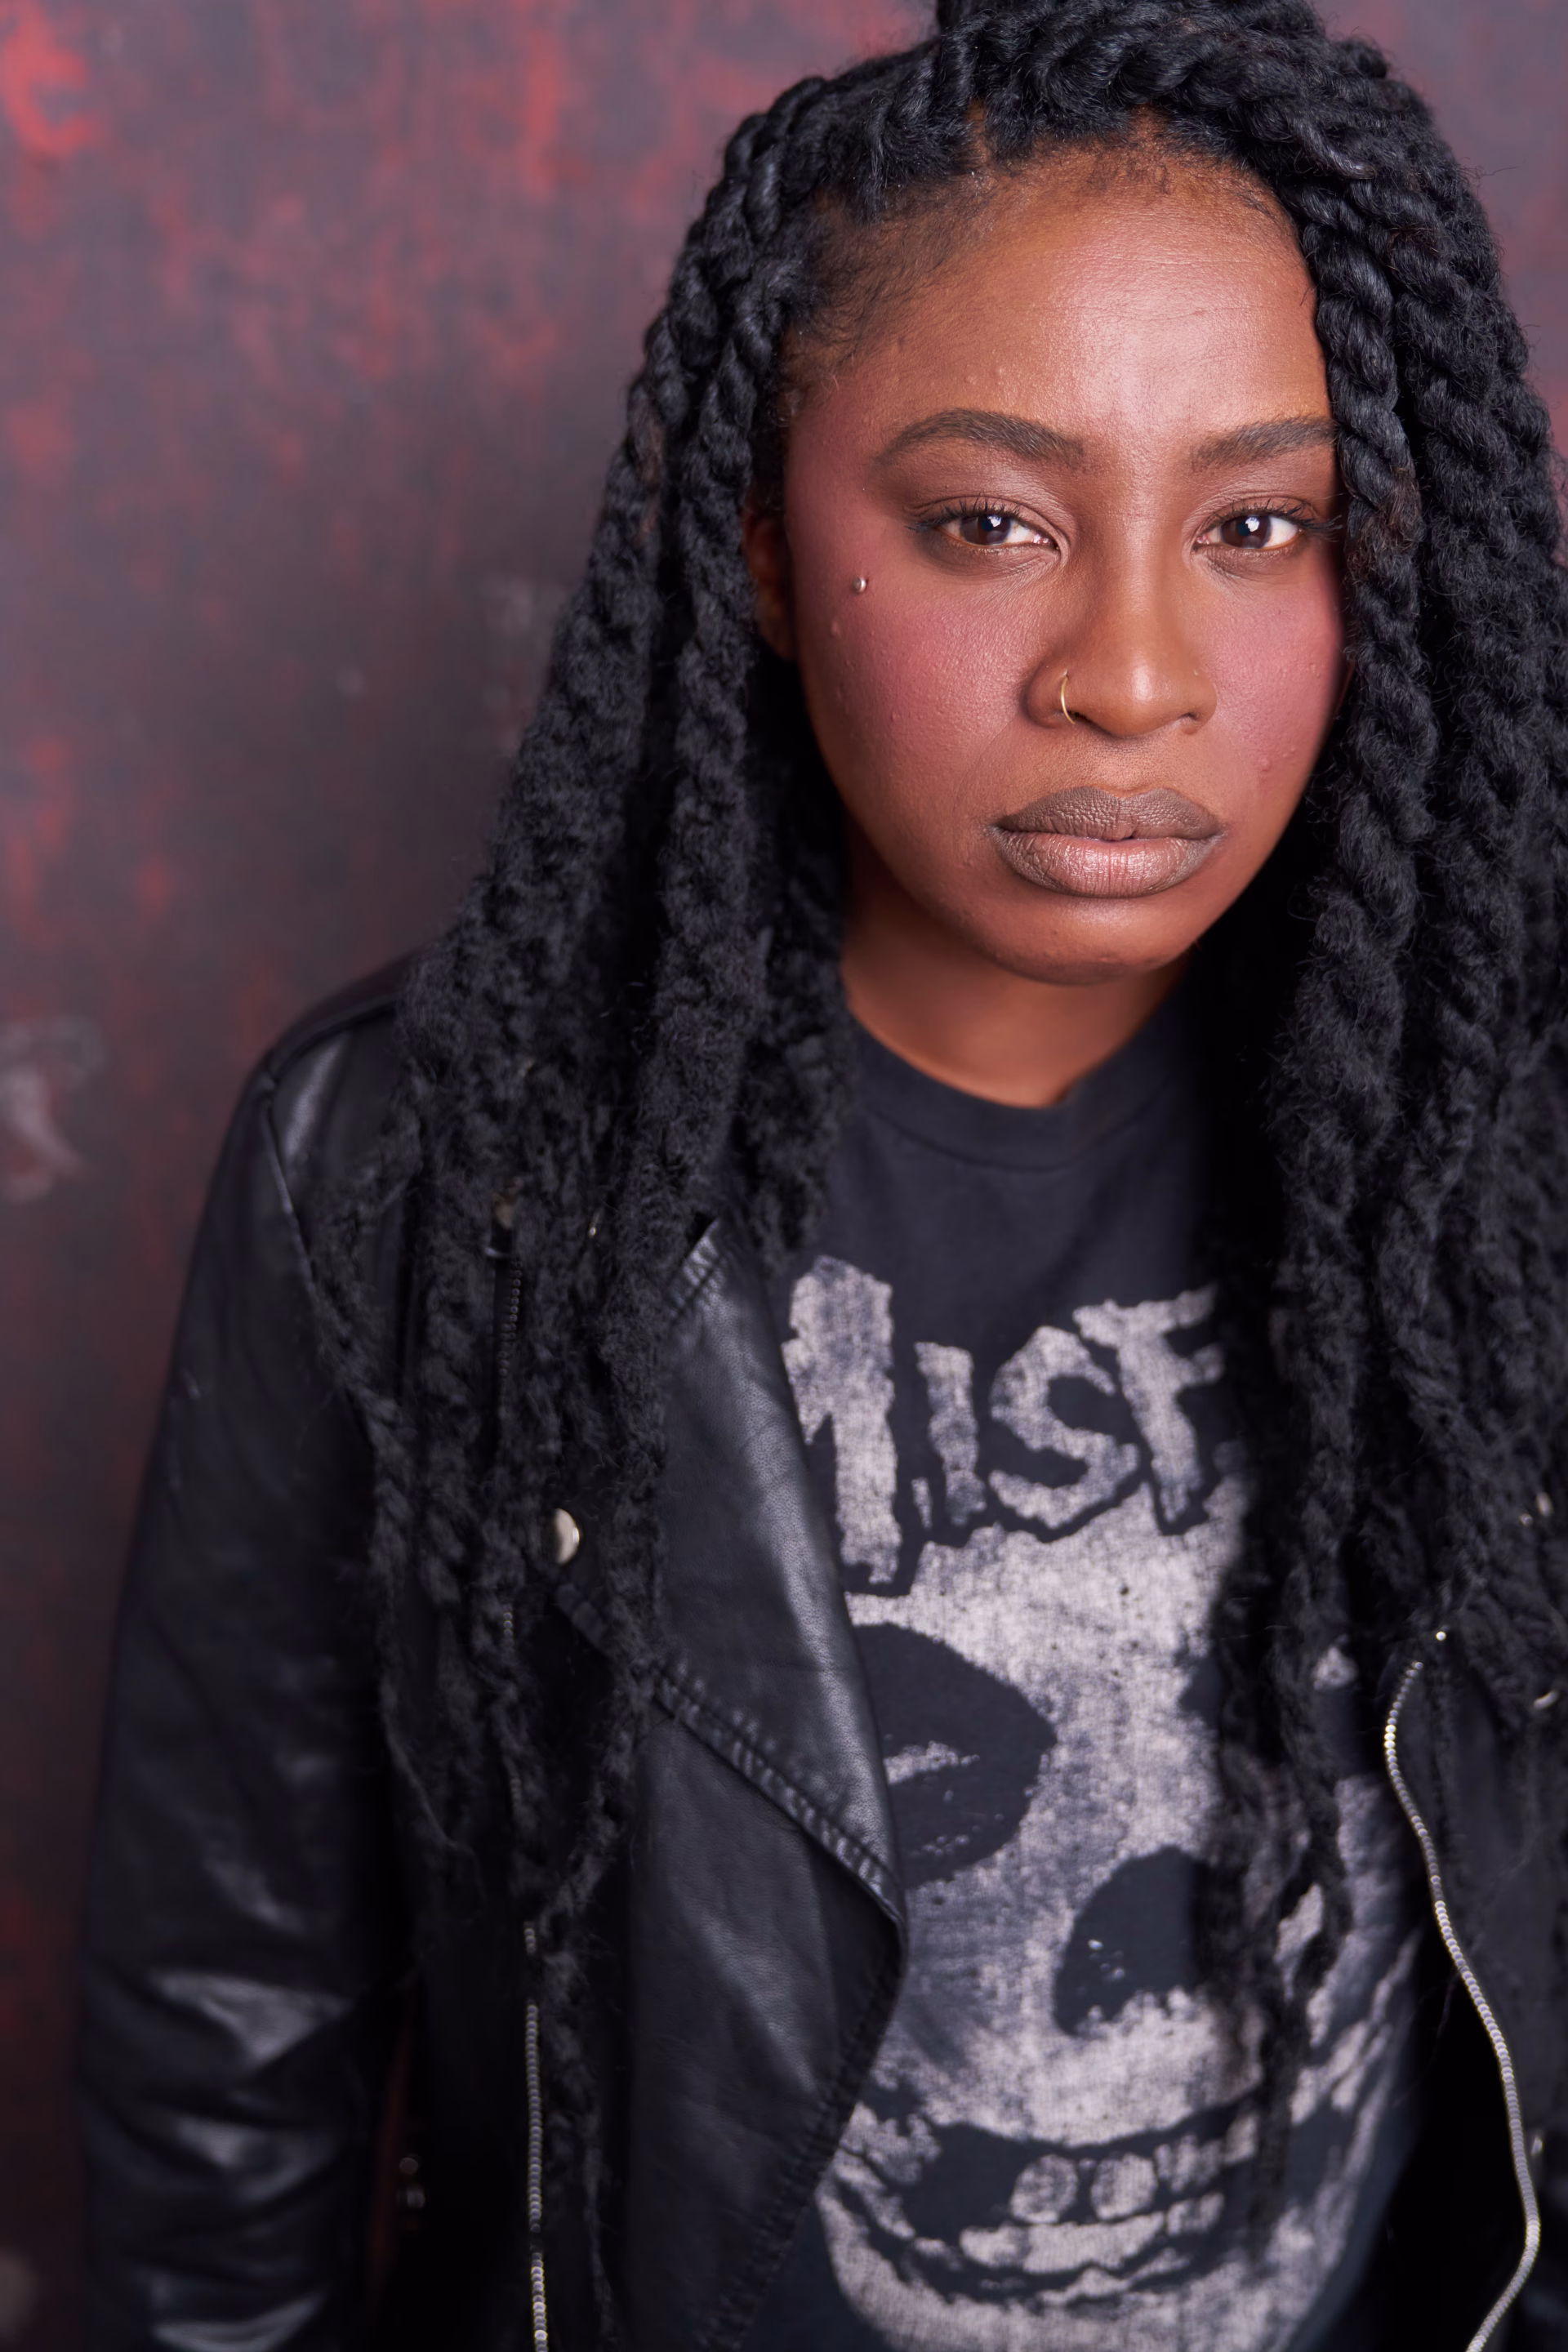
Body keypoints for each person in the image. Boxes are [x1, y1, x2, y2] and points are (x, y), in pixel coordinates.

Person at [78, 0, 1568, 2346]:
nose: (1133, 672)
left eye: (1256, 525)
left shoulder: (1508, 1147)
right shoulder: (413, 1171)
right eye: (991, 522)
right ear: (765, 547)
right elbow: (227, 2048)